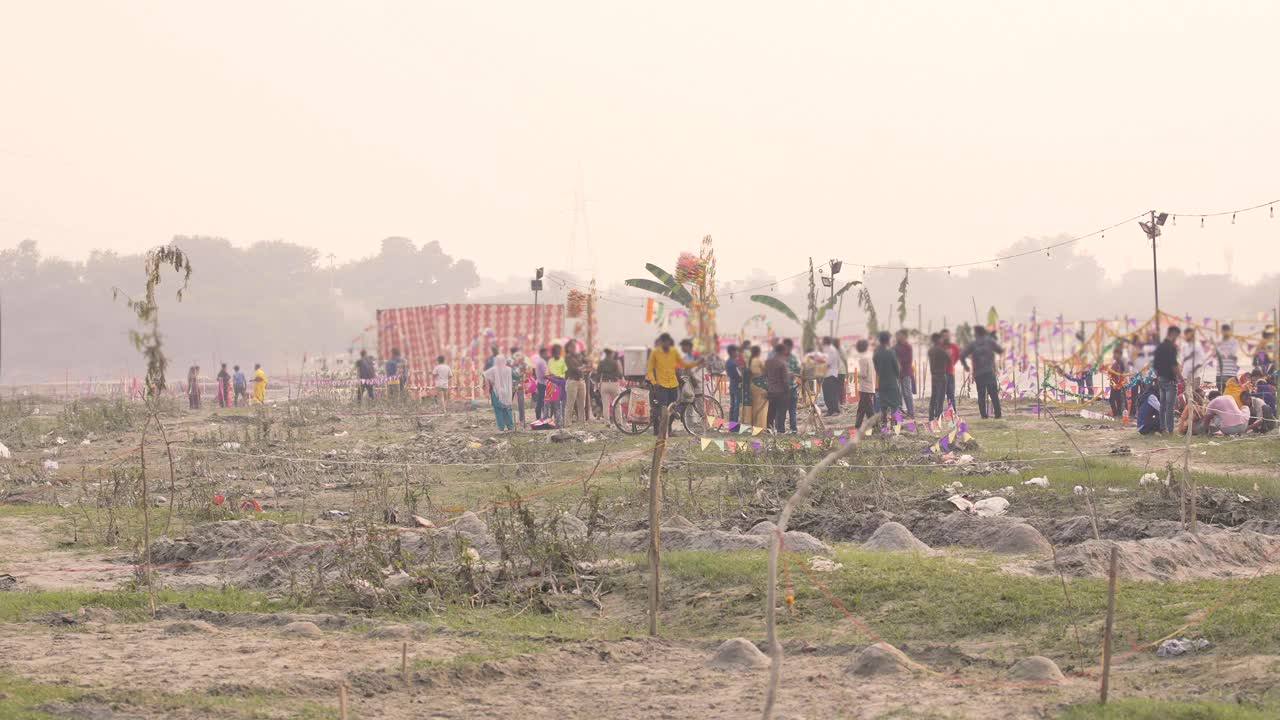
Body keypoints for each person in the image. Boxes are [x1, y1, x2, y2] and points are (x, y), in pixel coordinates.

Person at [646, 333, 697, 436]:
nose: (665, 344)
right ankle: (661, 431)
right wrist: (654, 382)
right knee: (662, 409)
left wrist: (696, 363)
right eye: (663, 342)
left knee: (672, 409)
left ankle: (668, 430)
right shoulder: (655, 353)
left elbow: (681, 365)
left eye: (667, 342)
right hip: (660, 386)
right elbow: (649, 370)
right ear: (661, 343)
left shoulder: (674, 352)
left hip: (673, 385)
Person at [960, 326, 1004, 420]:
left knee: (981, 395)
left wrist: (966, 366)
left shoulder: (973, 344)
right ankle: (998, 414)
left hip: (978, 373)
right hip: (989, 372)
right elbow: (1000, 350)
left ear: (976, 334)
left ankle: (984, 416)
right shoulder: (990, 341)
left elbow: (962, 355)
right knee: (993, 394)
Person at [1152, 326, 1181, 434]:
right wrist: (1181, 378)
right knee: (1170, 407)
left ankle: (1163, 428)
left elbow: (1154, 366)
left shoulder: (1159, 347)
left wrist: (1159, 375)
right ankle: (1170, 430)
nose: (1176, 338)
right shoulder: (1171, 348)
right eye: (1177, 336)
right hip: (1170, 380)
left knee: (1162, 406)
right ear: (1173, 334)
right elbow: (1174, 365)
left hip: (1161, 379)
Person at [873, 331, 903, 426]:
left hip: (882, 382)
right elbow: (897, 368)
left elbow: (876, 369)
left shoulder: (876, 354)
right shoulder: (891, 352)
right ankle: (897, 424)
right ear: (887, 340)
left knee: (883, 405)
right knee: (896, 403)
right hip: (892, 382)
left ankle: (884, 425)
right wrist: (898, 377)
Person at [483, 354, 515, 431]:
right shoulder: (509, 369)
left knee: (498, 410)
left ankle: (501, 427)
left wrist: (490, 381)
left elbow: (484, 374)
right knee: (507, 409)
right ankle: (510, 426)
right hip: (507, 392)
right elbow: (516, 376)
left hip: (496, 392)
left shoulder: (493, 369)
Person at [764, 343, 790, 433]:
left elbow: (765, 375)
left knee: (771, 411)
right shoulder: (782, 363)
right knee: (781, 412)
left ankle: (769, 429)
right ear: (783, 351)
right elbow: (785, 380)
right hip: (781, 391)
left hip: (771, 390)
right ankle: (781, 430)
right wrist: (787, 390)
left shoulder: (768, 362)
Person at [854, 339, 876, 428]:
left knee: (866, 408)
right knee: (864, 407)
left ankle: (874, 425)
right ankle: (858, 424)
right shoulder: (869, 357)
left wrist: (857, 374)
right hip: (870, 385)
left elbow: (863, 374)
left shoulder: (862, 359)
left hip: (865, 387)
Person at [565, 342, 588, 426]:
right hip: (572, 381)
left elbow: (587, 362)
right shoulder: (568, 357)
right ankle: (567, 422)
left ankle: (582, 421)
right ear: (568, 348)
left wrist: (586, 358)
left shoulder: (579, 356)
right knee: (570, 403)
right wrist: (583, 368)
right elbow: (573, 368)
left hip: (581, 381)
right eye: (572, 347)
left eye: (575, 347)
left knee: (582, 403)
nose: (574, 349)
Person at [927, 333, 949, 421]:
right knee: (940, 398)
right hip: (941, 375)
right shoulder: (942, 350)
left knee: (933, 397)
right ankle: (938, 416)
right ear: (938, 340)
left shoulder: (930, 350)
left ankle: (930, 416)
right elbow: (949, 360)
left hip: (933, 376)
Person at [893, 330, 915, 418]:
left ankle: (911, 412)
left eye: (900, 336)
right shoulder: (895, 347)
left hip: (906, 372)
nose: (898, 337)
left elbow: (909, 360)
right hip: (897, 374)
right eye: (897, 336)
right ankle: (900, 412)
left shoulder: (908, 347)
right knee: (898, 393)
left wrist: (898, 361)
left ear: (904, 337)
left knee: (907, 393)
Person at [597, 348, 623, 423]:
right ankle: (619, 422)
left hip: (604, 384)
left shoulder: (601, 362)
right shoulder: (615, 362)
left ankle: (607, 422)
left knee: (605, 405)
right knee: (617, 403)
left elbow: (598, 374)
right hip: (614, 384)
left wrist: (598, 383)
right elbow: (620, 375)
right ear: (611, 353)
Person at [748, 345, 769, 430]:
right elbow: (765, 371)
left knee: (755, 407)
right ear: (758, 352)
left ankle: (755, 426)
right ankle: (761, 426)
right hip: (760, 386)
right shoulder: (758, 360)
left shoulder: (750, 361)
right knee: (762, 407)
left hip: (753, 385)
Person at [547, 344, 568, 427]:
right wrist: (551, 376)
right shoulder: (550, 361)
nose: (557, 354)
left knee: (562, 404)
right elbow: (548, 372)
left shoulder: (562, 360)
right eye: (555, 353)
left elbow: (565, 373)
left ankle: (563, 422)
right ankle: (556, 422)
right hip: (552, 384)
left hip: (561, 383)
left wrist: (558, 376)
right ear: (553, 353)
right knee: (554, 405)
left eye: (558, 353)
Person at [782, 338, 801, 432]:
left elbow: (799, 371)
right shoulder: (779, 357)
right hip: (782, 389)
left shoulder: (792, 358)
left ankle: (793, 429)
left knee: (792, 410)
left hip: (792, 387)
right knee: (782, 410)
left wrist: (794, 375)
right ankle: (781, 429)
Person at [940, 328, 960, 414]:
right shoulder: (939, 347)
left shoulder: (954, 346)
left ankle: (953, 413)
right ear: (942, 337)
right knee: (940, 395)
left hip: (950, 373)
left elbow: (956, 358)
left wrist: (951, 364)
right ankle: (939, 414)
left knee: (951, 395)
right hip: (940, 374)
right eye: (944, 336)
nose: (946, 338)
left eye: (948, 336)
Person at [821, 337, 842, 416]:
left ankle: (834, 410)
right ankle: (832, 410)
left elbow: (828, 363)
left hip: (830, 374)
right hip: (831, 374)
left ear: (825, 342)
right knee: (830, 393)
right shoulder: (831, 349)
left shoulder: (830, 349)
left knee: (830, 393)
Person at [1216, 325, 1239, 392]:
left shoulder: (1234, 342)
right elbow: (1218, 354)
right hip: (1220, 373)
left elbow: (1233, 352)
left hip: (1231, 374)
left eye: (1227, 331)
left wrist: (1223, 352)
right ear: (1222, 332)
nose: (1225, 333)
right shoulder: (1218, 342)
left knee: (1232, 394)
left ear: (1230, 332)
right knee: (1221, 395)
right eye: (1224, 331)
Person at [1106, 346, 1128, 418]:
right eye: (1114, 353)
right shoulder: (1117, 362)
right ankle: (1117, 413)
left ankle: (1116, 414)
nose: (1114, 355)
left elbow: (1119, 373)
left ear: (1119, 354)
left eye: (1115, 354)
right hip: (1115, 384)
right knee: (1117, 400)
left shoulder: (1119, 363)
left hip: (1117, 384)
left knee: (1113, 400)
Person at [509, 347, 527, 425]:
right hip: (514, 383)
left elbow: (525, 369)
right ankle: (519, 419)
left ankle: (521, 419)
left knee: (519, 401)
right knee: (511, 401)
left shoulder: (521, 362)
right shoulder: (510, 361)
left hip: (518, 383)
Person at [725, 344, 742, 425]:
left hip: (732, 385)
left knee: (732, 406)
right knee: (736, 407)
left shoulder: (728, 362)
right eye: (736, 351)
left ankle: (731, 425)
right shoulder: (733, 363)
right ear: (732, 352)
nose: (737, 353)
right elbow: (738, 376)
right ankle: (734, 425)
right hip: (736, 386)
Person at [533, 348, 549, 420]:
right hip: (543, 383)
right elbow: (545, 374)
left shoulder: (539, 361)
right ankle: (539, 416)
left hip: (540, 382)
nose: (547, 355)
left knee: (541, 400)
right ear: (542, 354)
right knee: (541, 400)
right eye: (545, 353)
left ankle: (539, 416)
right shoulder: (542, 362)